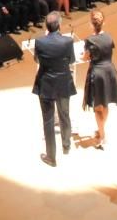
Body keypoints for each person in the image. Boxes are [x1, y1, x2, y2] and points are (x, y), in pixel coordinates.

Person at [32, 12, 75, 167]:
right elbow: (71, 60)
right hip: (63, 82)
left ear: (46, 26)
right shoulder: (68, 41)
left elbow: (37, 59)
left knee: (48, 120)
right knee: (65, 114)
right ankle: (66, 145)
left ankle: (51, 157)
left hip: (46, 84)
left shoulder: (40, 41)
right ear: (60, 25)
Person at [82, 10, 117, 149]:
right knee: (105, 103)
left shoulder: (90, 40)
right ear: (104, 22)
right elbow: (108, 51)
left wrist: (84, 56)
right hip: (109, 71)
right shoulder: (109, 37)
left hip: (97, 73)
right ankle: (101, 130)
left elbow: (85, 57)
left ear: (91, 24)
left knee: (98, 107)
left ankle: (102, 135)